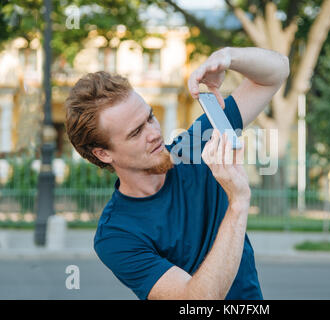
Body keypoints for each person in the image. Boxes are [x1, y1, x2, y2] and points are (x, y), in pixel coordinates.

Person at [65, 47, 289, 300]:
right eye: (136, 132)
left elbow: (277, 71)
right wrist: (238, 203)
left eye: (150, 117)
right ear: (103, 154)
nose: (154, 133)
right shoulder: (116, 234)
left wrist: (228, 57)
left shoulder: (198, 144)